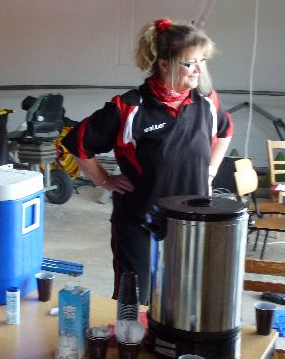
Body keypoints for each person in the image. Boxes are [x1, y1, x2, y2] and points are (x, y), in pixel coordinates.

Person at [62, 18, 233, 305]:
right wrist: (104, 179)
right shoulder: (129, 107)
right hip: (140, 223)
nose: (199, 69)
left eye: (202, 61)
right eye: (190, 63)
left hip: (191, 222)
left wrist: (210, 171)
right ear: (164, 64)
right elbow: (78, 144)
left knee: (183, 301)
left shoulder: (207, 101)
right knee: (136, 301)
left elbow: (225, 133)